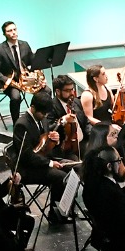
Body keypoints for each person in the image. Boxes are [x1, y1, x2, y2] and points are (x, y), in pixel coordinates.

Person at [11, 88, 75, 224]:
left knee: (75, 168)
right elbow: (27, 156)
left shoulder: (42, 118)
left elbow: (44, 142)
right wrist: (50, 164)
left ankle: (65, 208)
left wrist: (55, 139)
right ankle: (56, 214)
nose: (45, 116)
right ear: (33, 107)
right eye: (42, 113)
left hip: (43, 159)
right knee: (60, 177)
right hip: (28, 168)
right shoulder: (22, 125)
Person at [0, 20, 43, 121]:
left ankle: (35, 116)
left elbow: (33, 63)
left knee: (46, 91)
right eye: (9, 31)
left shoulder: (25, 45)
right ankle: (17, 124)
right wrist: (5, 79)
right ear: (4, 34)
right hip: (11, 83)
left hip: (26, 80)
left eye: (14, 29)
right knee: (16, 98)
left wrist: (39, 77)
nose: (13, 32)